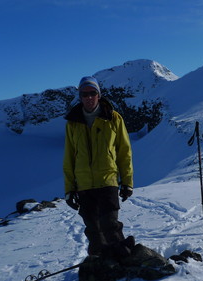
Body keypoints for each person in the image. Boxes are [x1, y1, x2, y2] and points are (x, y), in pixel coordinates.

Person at [63, 76, 135, 257]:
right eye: (84, 94)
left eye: (92, 93)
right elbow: (69, 157)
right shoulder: (73, 122)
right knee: (94, 231)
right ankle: (100, 266)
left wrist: (127, 182)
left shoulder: (113, 118)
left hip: (107, 180)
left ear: (99, 95)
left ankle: (124, 262)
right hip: (84, 185)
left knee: (110, 226)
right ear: (79, 96)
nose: (88, 97)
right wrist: (70, 189)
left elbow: (124, 152)